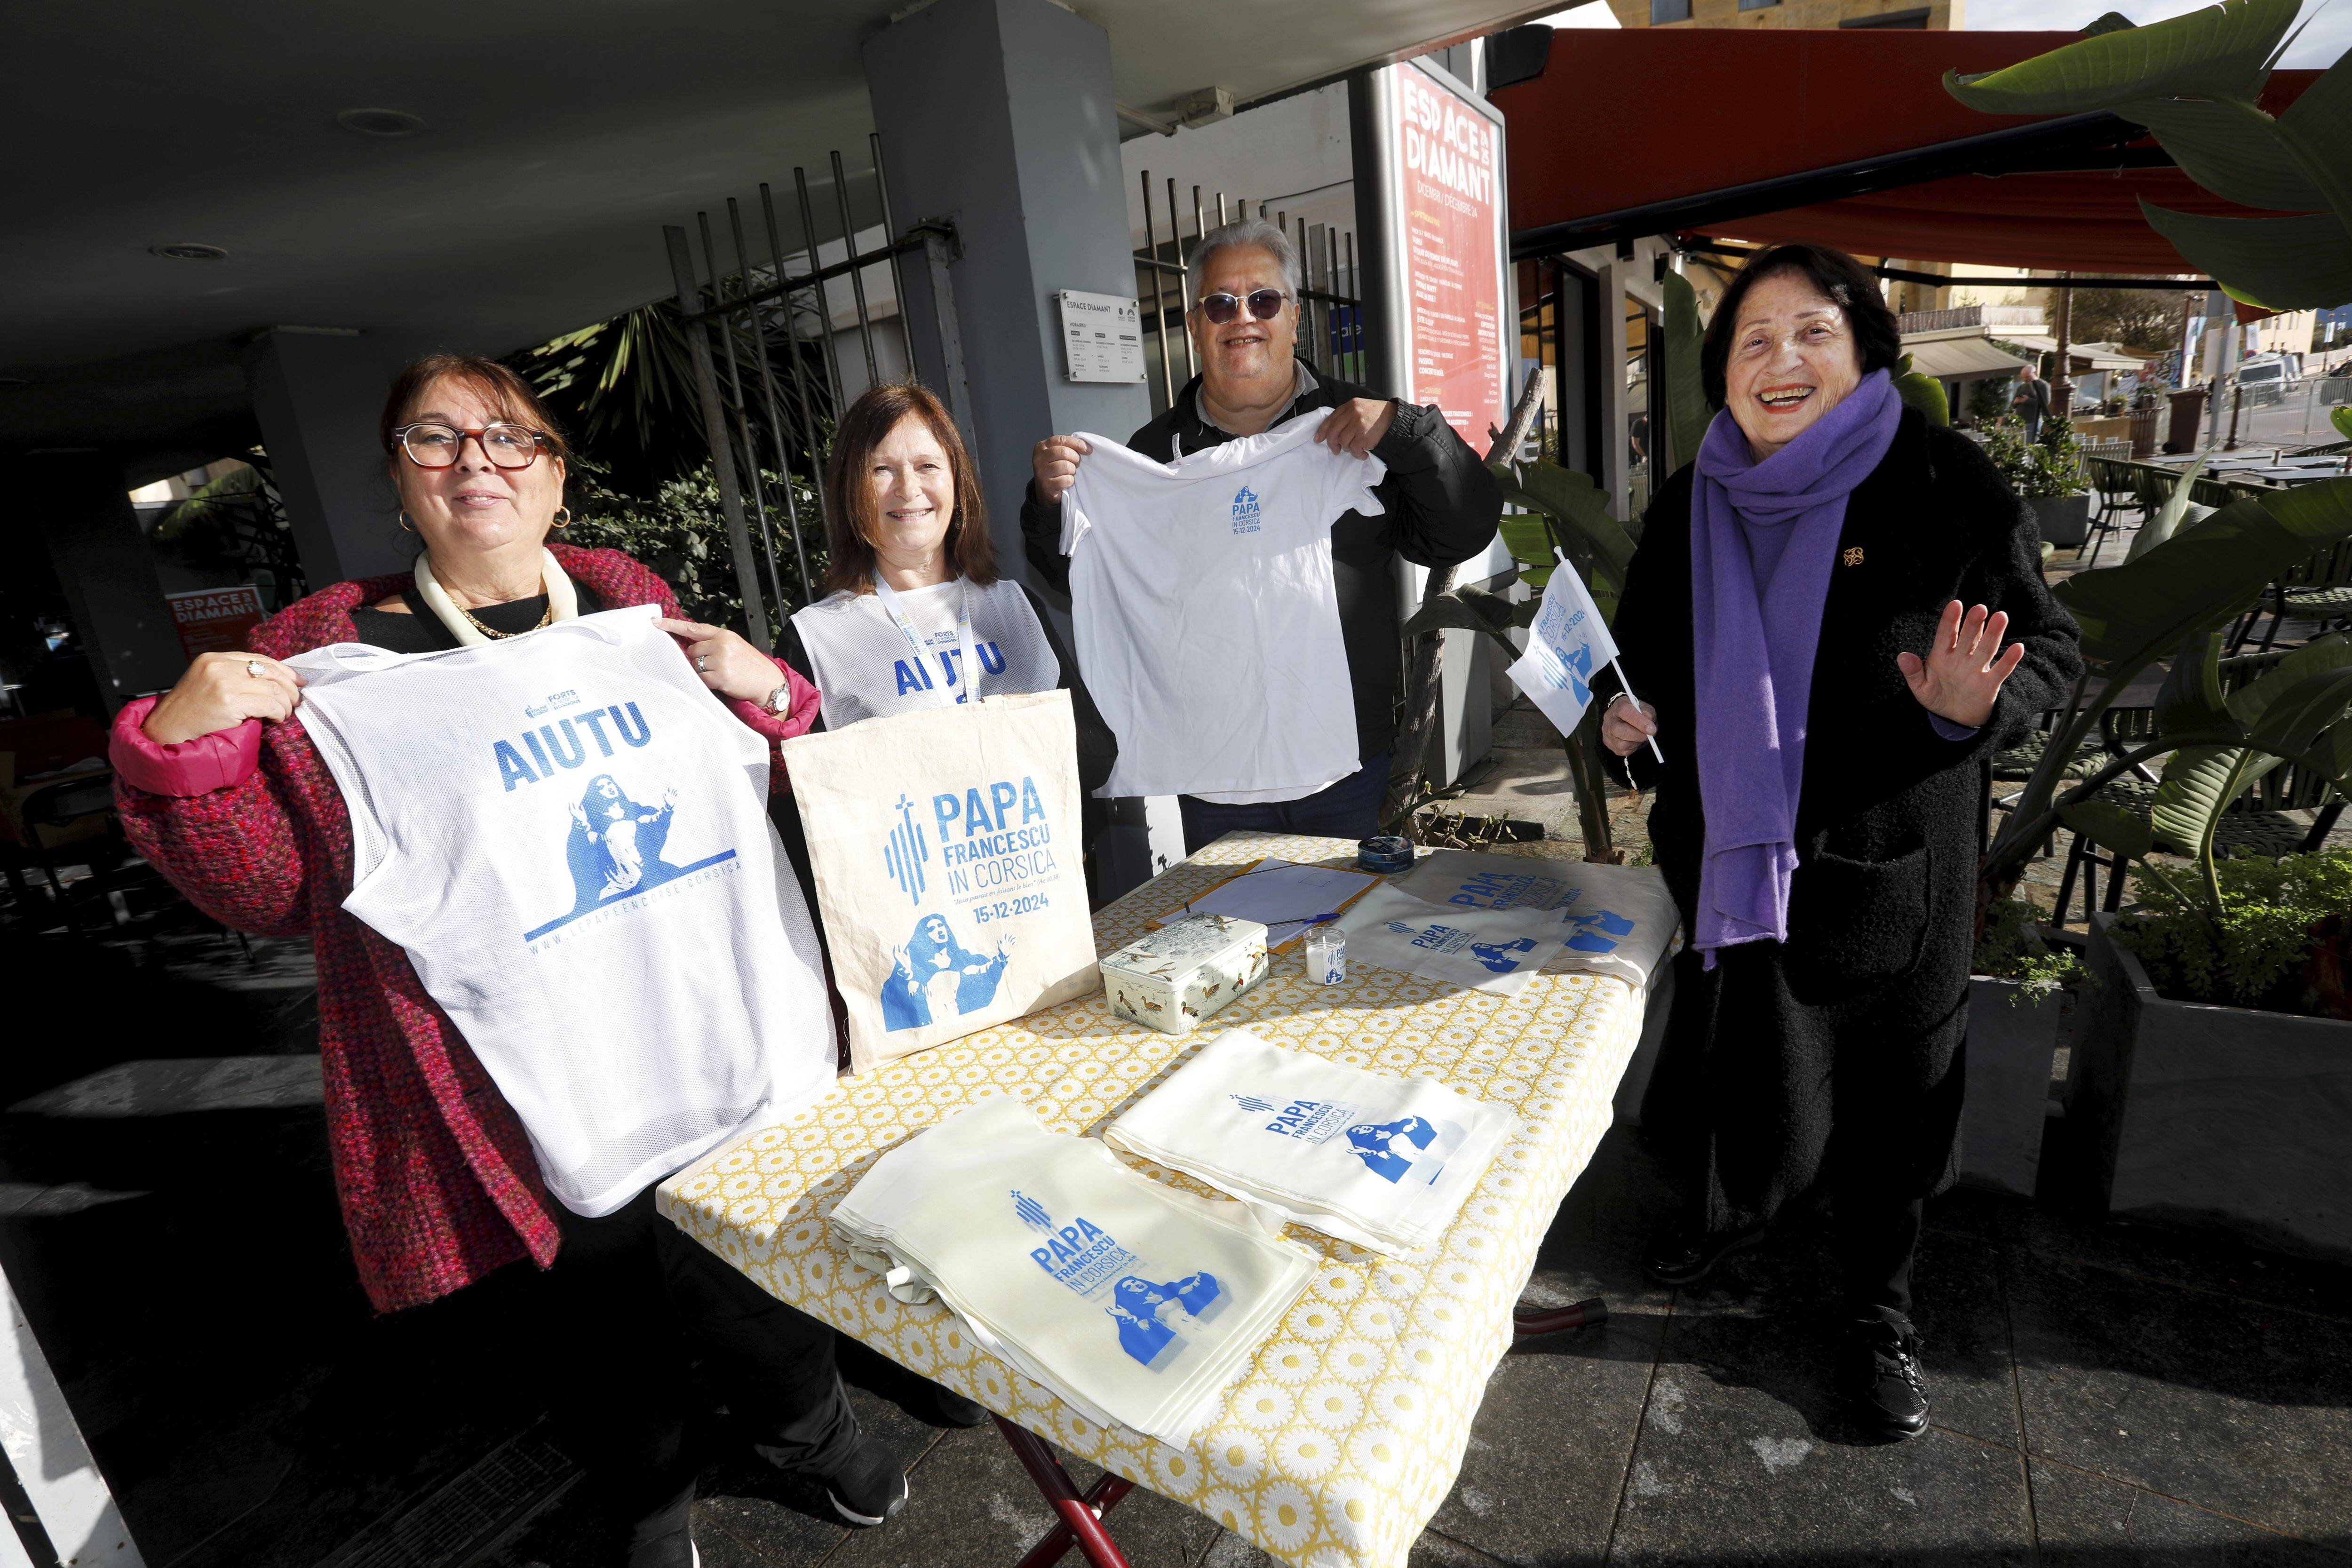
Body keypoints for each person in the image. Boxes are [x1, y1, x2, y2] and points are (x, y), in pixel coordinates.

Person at [109, 354, 911, 1565]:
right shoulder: (338, 671)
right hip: (536, 1068)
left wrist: (776, 694)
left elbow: (809, 784)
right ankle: (651, 1502)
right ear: (399, 482)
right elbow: (281, 893)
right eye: (434, 440)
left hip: (726, 1020)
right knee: (604, 1322)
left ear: (556, 481)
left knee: (763, 1270)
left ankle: (809, 1428)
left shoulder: (640, 619)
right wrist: (183, 752)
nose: (474, 459)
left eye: (506, 438)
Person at [1597, 245, 2082, 1440]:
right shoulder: (1688, 501)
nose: (1782, 360)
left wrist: (1970, 709)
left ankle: (1876, 1319)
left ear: (1864, 346)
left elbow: (2055, 658)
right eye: (1754, 340)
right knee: (1743, 1070)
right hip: (1729, 862)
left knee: (1886, 1114)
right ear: (1723, 374)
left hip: (1886, 866)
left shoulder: (1942, 485)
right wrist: (1620, 727)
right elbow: (1636, 675)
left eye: (1811, 331)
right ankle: (1736, 1227)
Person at [1023, 217, 1502, 852]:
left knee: (1343, 943)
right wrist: (1052, 503)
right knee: (1240, 942)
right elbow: (1086, 581)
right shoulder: (1150, 458)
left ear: (1295, 317)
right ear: (1195, 326)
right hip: (1215, 773)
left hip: (1344, 764)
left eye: (1263, 300)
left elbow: (1458, 534)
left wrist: (1410, 431)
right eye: (1220, 304)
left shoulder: (1356, 429)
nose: (1241, 317)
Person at [779, 380, 1114, 788]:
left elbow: (1097, 759)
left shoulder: (1015, 606)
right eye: (881, 469)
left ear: (957, 481)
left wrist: (1016, 727)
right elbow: (810, 810)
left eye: (927, 466)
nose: (908, 488)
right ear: (851, 491)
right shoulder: (817, 640)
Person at [2010, 361, 2051, 438]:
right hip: (2019, 422)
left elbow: (2045, 403)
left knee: (2030, 443)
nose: (2025, 380)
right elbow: (2012, 405)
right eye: (2023, 378)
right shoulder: (2022, 387)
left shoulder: (2043, 385)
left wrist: (2028, 400)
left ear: (2035, 373)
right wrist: (2016, 402)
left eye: (2028, 377)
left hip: (2033, 421)